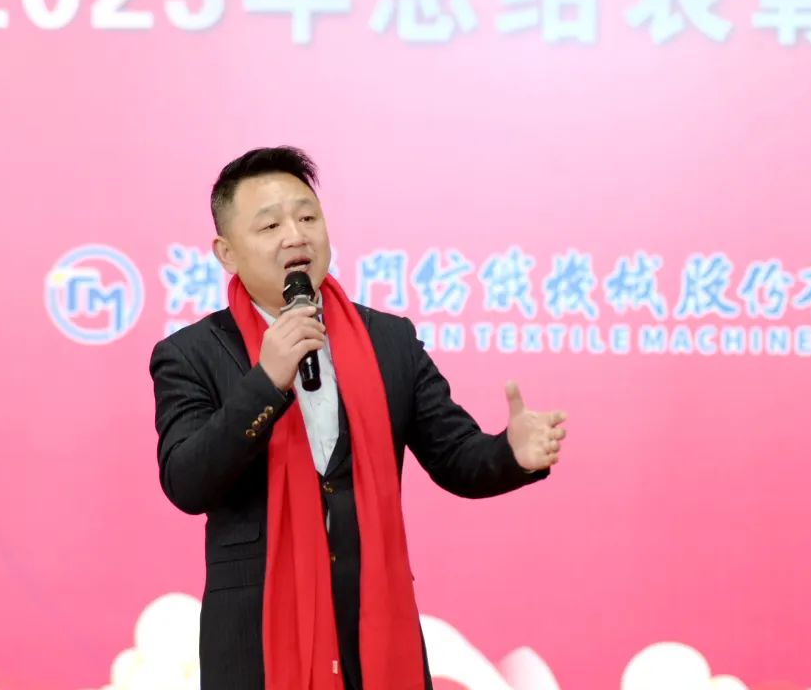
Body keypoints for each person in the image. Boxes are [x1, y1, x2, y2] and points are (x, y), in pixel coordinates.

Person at [149, 146, 569, 690]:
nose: (295, 236)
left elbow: (457, 458)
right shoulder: (191, 354)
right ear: (226, 253)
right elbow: (187, 481)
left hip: (374, 628)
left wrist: (512, 454)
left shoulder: (388, 341)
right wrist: (266, 382)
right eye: (270, 225)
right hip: (258, 643)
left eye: (307, 217)